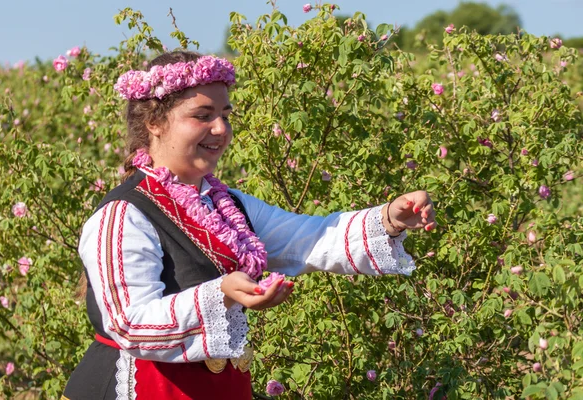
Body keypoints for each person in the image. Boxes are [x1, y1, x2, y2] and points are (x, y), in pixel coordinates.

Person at [62, 51, 436, 400]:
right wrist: (220, 292)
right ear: (154, 122)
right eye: (203, 115)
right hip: (142, 387)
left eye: (225, 114)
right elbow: (130, 323)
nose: (221, 128)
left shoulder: (228, 205)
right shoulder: (125, 213)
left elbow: (308, 239)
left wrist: (388, 218)